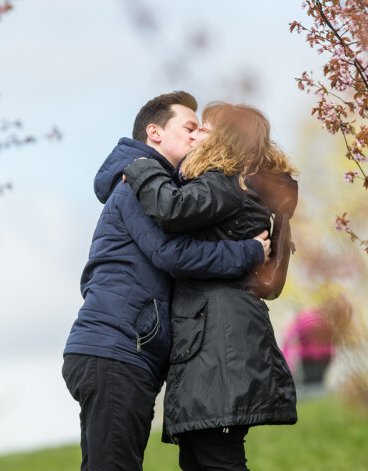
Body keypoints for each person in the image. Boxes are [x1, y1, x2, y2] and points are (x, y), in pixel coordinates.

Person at [62, 92, 271, 471]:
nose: (196, 137)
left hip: (128, 351)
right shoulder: (136, 185)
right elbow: (172, 255)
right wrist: (250, 253)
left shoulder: (159, 187)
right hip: (116, 348)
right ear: (154, 132)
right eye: (189, 128)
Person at [123, 102, 299, 471]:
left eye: (205, 127)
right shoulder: (238, 184)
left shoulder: (225, 181)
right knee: (202, 460)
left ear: (226, 140)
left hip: (220, 344)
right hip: (215, 339)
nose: (196, 134)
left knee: (218, 461)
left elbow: (171, 210)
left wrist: (142, 168)